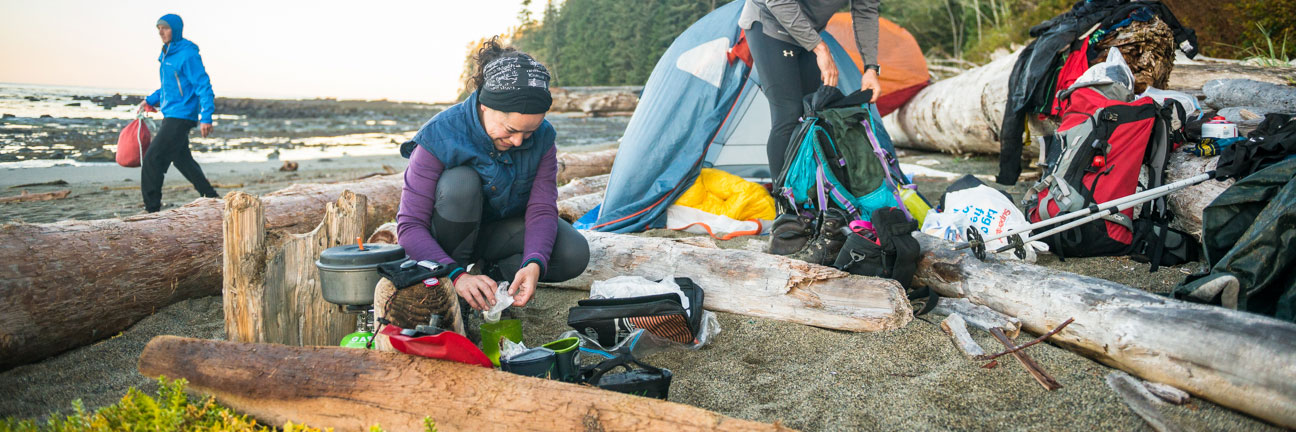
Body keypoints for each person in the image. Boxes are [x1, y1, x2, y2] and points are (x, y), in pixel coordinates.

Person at [396, 38, 590, 312]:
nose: (519, 142)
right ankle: (455, 291)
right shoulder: (439, 135)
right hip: (447, 242)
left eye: (529, 132)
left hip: (497, 235)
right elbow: (409, 226)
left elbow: (542, 208)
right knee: (460, 182)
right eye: (510, 130)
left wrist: (533, 262)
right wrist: (456, 275)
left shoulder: (545, 137)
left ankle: (494, 284)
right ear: (485, 105)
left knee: (573, 253)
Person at [739, 0, 883, 254]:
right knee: (789, 112)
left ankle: (810, 210)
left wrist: (871, 67)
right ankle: (786, 219)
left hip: (808, 32)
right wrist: (819, 47)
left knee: (811, 115)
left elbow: (866, 10)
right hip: (770, 23)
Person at [138, 13, 218, 213]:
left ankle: (152, 211)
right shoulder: (167, 54)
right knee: (183, 160)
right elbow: (168, 87)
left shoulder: (187, 54)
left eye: (165, 28)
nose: (161, 33)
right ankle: (212, 198)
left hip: (181, 116)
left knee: (152, 159)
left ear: (176, 29)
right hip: (171, 113)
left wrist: (206, 117)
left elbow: (203, 86)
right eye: (159, 29)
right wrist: (149, 100)